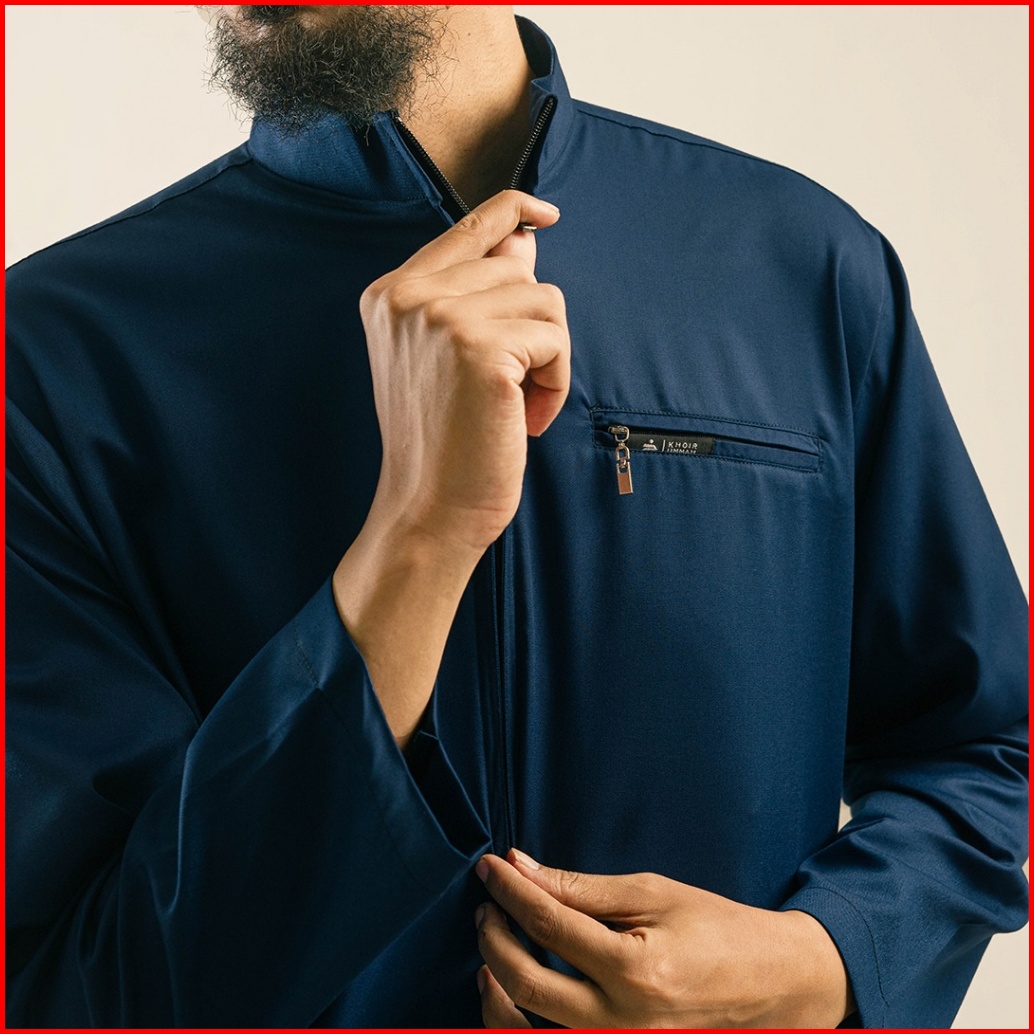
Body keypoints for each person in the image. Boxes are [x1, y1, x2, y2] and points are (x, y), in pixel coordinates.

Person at [5, 5, 1027, 1028]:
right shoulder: (46, 361)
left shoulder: (799, 265)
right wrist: (419, 530)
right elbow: (70, 988)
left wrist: (821, 958)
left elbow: (986, 744)